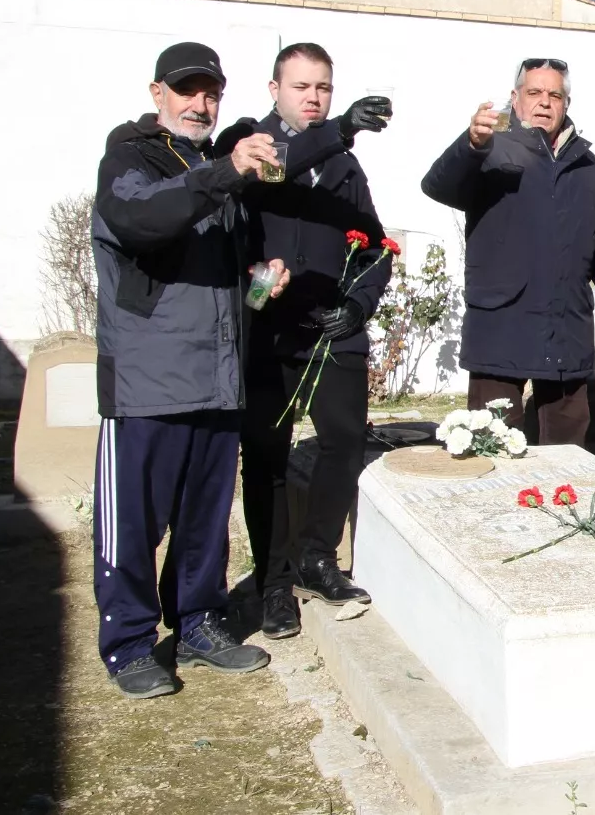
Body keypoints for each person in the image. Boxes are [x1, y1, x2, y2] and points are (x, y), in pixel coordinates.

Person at [90, 42, 382, 699]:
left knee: (203, 519)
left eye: (210, 92)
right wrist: (227, 170)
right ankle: (129, 643)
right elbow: (144, 221)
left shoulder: (209, 167)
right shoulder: (130, 157)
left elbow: (223, 272)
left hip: (218, 375)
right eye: (186, 90)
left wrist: (257, 282)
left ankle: (198, 622)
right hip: (147, 381)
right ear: (157, 93)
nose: (199, 103)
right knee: (134, 520)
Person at [236, 43, 394, 640]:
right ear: (274, 89)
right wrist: (259, 290)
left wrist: (358, 305)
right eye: (301, 86)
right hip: (270, 327)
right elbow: (244, 229)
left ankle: (316, 557)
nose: (313, 97)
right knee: (267, 456)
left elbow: (376, 246)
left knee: (344, 442)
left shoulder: (343, 169)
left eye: (323, 88)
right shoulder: (250, 144)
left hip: (332, 331)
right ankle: (274, 583)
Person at [421, 58, 595, 442]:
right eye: (534, 92)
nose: (544, 102)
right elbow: (437, 186)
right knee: (492, 443)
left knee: (567, 449)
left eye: (555, 95)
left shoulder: (585, 164)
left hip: (565, 325)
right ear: (515, 98)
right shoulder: (490, 148)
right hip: (501, 323)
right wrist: (470, 145)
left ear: (567, 103)